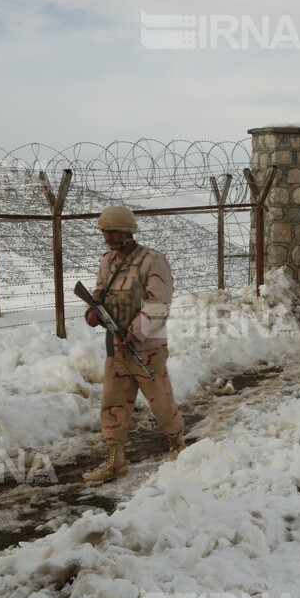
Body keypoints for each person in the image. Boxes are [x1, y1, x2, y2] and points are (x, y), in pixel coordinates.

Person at [82, 206, 185, 482]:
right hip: (116, 346)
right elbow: (98, 292)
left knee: (161, 399)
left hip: (147, 347)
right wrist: (92, 312)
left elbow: (159, 302)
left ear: (128, 232)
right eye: (105, 231)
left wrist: (136, 330)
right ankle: (115, 461)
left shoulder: (152, 260)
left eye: (113, 230)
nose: (108, 236)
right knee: (112, 403)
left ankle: (178, 446)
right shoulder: (107, 262)